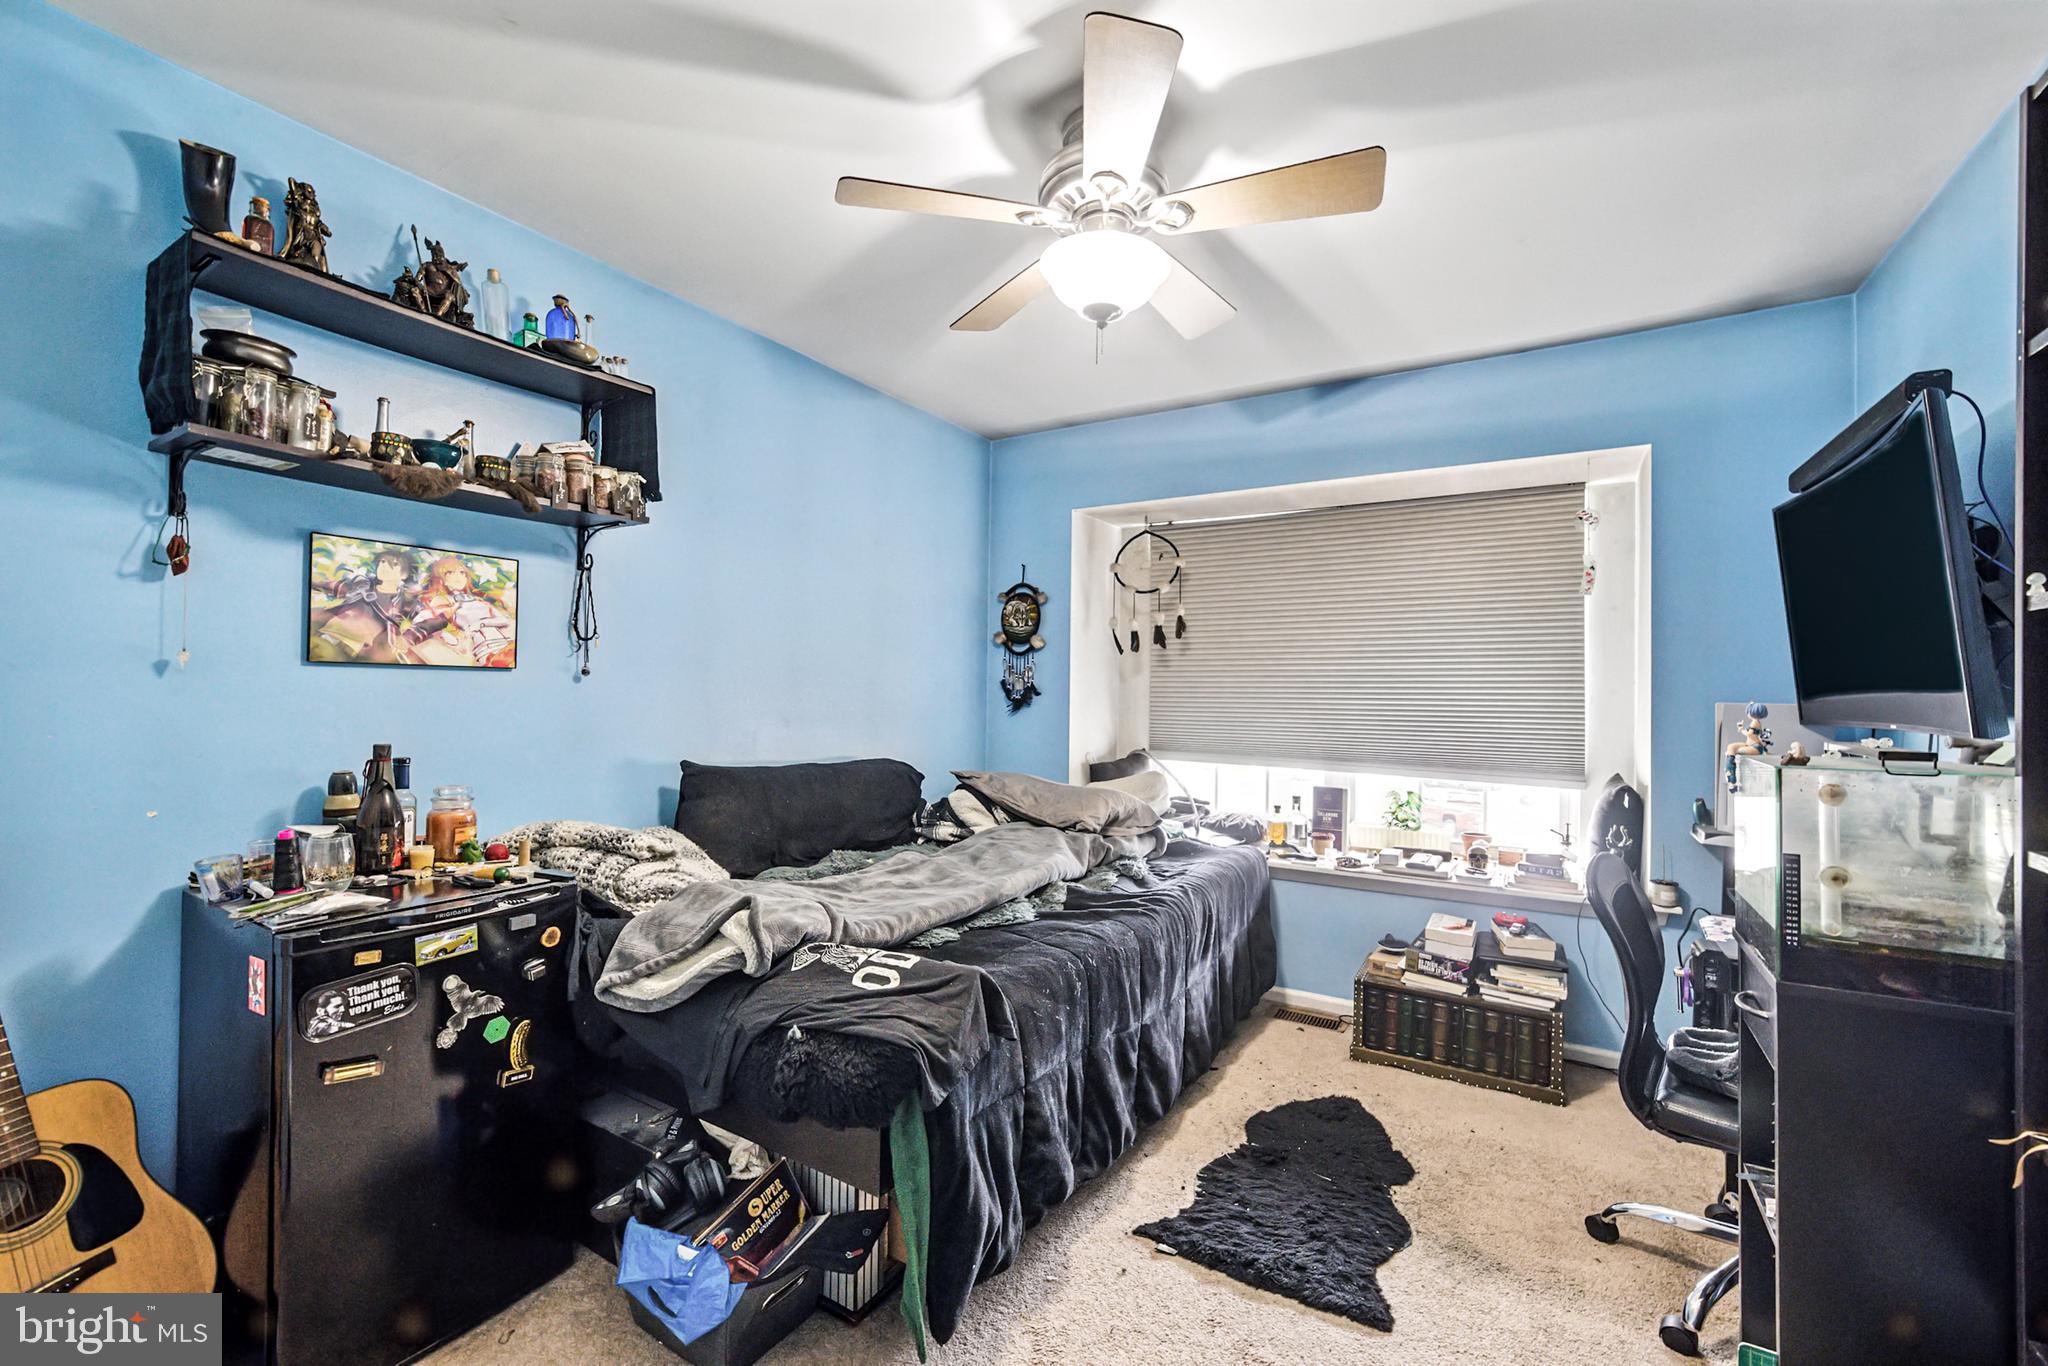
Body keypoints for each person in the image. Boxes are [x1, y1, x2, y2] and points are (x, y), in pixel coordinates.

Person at [406, 556, 515, 667]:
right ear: (441, 579)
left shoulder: (479, 601)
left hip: (506, 644)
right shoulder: (444, 602)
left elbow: (504, 620)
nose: (459, 576)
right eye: (450, 572)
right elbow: (421, 621)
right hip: (487, 651)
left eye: (462, 572)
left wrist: (480, 623)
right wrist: (451, 640)